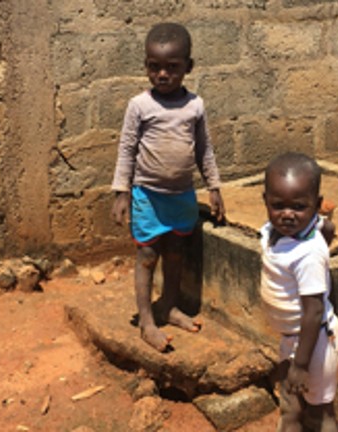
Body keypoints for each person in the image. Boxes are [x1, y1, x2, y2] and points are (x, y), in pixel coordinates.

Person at [110, 22, 225, 353]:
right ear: (146, 66)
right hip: (148, 195)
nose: (162, 74)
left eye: (172, 68)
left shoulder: (195, 106)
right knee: (147, 254)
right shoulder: (140, 106)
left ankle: (169, 306)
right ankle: (146, 320)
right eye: (154, 66)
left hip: (183, 196)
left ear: (188, 67)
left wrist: (214, 187)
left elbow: (204, 149)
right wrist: (122, 192)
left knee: (176, 252)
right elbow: (126, 149)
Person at [260, 152, 338, 431]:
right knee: (291, 405)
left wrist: (301, 364)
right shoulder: (277, 232)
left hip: (314, 342)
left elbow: (314, 310)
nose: (287, 215)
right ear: (265, 201)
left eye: (298, 207)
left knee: (320, 413)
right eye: (277, 206)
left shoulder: (307, 255)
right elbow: (325, 226)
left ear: (316, 205)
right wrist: (326, 226)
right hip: (292, 339)